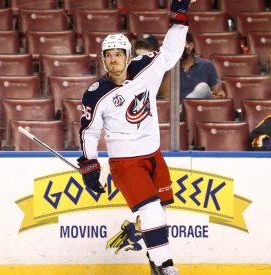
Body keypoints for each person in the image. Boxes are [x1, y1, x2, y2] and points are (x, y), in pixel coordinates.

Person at [77, 0, 194, 274]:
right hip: (125, 163)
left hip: (154, 155)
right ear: (103, 59)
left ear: (128, 56)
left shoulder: (145, 69)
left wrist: (179, 18)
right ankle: (166, 266)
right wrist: (90, 167)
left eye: (118, 54)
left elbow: (171, 52)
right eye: (108, 55)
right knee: (151, 210)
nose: (113, 59)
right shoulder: (96, 94)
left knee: (160, 212)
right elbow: (89, 133)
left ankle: (155, 264)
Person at [157, 31, 226, 101]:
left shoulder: (207, 65)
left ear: (190, 47)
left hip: (201, 108)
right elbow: (165, 99)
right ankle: (186, 104)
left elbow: (219, 94)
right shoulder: (166, 68)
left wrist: (211, 96)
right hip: (178, 110)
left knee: (203, 87)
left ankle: (187, 103)